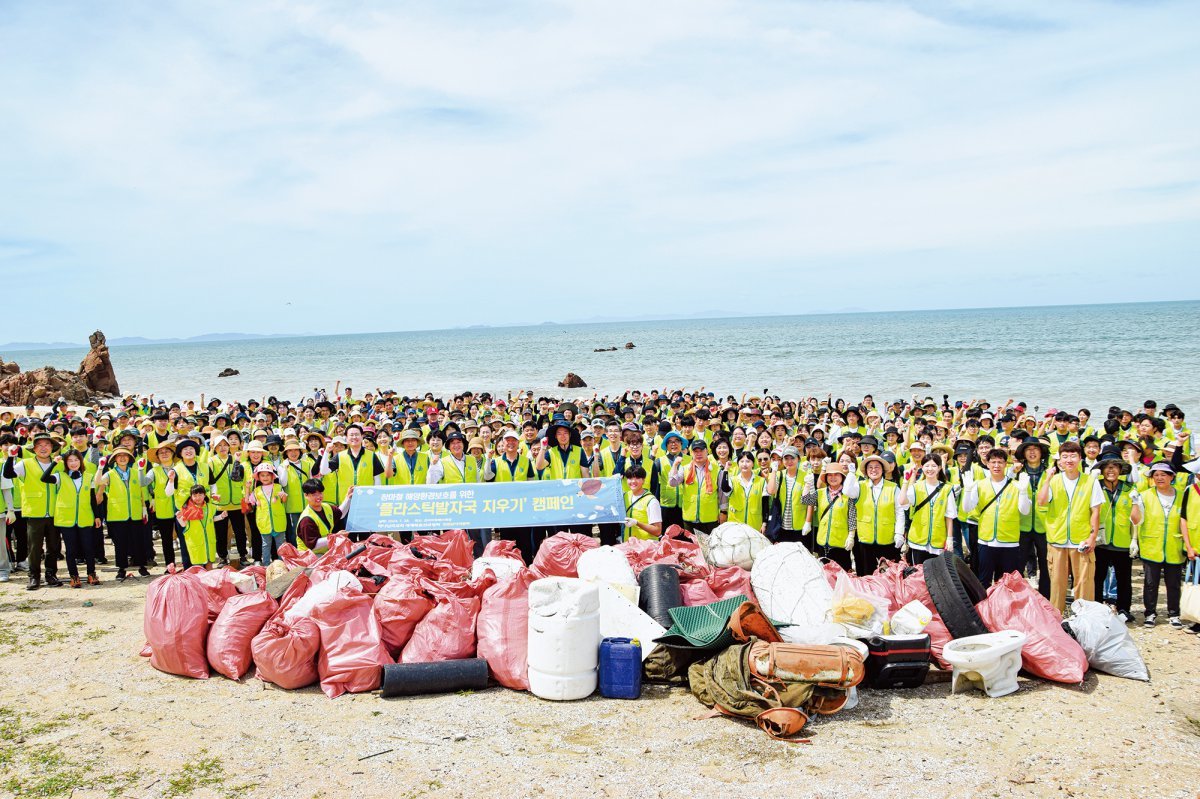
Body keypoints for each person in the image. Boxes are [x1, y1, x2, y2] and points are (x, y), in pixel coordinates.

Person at [1036, 441, 1103, 614]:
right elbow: (1041, 501)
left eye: (1073, 456)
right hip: (1057, 540)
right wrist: (1048, 478)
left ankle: (1085, 619)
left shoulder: (1090, 482)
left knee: (1084, 584)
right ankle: (1057, 620)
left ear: (1080, 458)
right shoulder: (1054, 480)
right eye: (1065, 457)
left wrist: (1092, 538)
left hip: (1081, 541)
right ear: (1059, 461)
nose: (1069, 460)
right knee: (1057, 585)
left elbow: (1095, 511)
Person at [964, 448, 1031, 587]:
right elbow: (967, 508)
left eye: (1000, 462)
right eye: (993, 462)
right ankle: (985, 609)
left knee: (1007, 584)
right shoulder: (980, 485)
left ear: (1006, 464)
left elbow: (1024, 511)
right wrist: (968, 490)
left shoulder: (1017, 485)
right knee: (984, 582)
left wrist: (1024, 491)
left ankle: (1003, 609)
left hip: (1009, 542)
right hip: (986, 541)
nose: (996, 465)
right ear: (987, 464)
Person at [4, 433, 63, 590]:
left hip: (55, 511)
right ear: (34, 448)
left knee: (54, 547)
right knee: (34, 547)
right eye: (40, 445)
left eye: (47, 445)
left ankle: (51, 574)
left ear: (52, 448)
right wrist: (10, 457)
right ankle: (34, 577)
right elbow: (8, 474)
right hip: (34, 512)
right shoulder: (26, 463)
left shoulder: (59, 463)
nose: (43, 448)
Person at [1136, 461, 1191, 628]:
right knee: (1151, 583)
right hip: (1151, 544)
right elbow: (1136, 520)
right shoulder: (1144, 495)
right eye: (1156, 475)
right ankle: (1150, 613)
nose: (1160, 478)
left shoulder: (1182, 495)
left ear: (1172, 477)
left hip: (1174, 545)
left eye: (1164, 474)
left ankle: (1174, 614)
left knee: (1173, 583)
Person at [1092, 446, 1141, 622]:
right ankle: (1096, 608)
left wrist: (1135, 539)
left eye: (1115, 466)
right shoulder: (1095, 487)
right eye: (1107, 466)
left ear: (1120, 470)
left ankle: (1124, 609)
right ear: (1102, 470)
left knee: (1124, 578)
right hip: (1100, 541)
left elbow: (1136, 519)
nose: (1111, 470)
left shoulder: (1129, 489)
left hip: (1122, 540)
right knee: (1097, 577)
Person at [43, 450, 101, 587]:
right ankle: (74, 576)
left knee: (88, 547)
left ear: (80, 461)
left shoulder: (88, 476)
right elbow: (44, 478)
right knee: (71, 550)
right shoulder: (60, 476)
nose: (73, 463)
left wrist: (97, 515)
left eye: (76, 460)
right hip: (66, 518)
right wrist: (54, 463)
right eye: (70, 460)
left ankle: (91, 574)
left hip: (85, 517)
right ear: (66, 463)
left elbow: (92, 498)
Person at [93, 447, 151, 581]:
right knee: (120, 543)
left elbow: (142, 489)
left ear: (130, 458)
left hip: (135, 513)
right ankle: (121, 568)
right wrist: (100, 468)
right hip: (117, 514)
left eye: (126, 455)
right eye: (119, 456)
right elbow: (98, 482)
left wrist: (144, 508)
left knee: (138, 541)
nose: (123, 458)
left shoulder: (136, 472)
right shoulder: (111, 473)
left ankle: (142, 566)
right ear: (114, 459)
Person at [801, 461, 859, 571]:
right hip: (822, 541)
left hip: (841, 543)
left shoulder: (848, 495)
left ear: (842, 477)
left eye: (836, 474)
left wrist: (851, 536)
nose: (833, 478)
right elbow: (805, 500)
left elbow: (852, 516)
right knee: (825, 575)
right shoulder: (820, 493)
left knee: (841, 574)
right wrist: (807, 485)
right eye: (830, 475)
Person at [855, 453, 905, 575]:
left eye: (877, 467)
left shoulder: (893, 487)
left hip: (887, 539)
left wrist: (899, 533)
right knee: (867, 574)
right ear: (866, 471)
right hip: (865, 538)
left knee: (889, 574)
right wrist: (851, 474)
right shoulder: (860, 486)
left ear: (882, 469)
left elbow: (899, 512)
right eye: (870, 467)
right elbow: (847, 491)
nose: (873, 470)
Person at [1015, 435, 1052, 599]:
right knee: (1018, 564)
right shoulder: (1017, 473)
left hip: (1045, 526)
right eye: (1028, 449)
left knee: (1046, 564)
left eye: (1035, 449)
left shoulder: (1051, 473)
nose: (1032, 452)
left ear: (1041, 452)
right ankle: (1018, 597)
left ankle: (1045, 597)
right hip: (1021, 525)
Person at [904, 454, 956, 565]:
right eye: (927, 466)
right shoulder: (916, 487)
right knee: (918, 574)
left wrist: (950, 538)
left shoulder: (947, 489)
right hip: (918, 539)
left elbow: (949, 516)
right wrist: (907, 481)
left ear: (940, 468)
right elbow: (903, 502)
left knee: (936, 575)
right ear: (922, 467)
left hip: (938, 540)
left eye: (933, 466)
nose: (930, 469)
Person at [669, 439, 722, 534]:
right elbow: (672, 482)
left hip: (709, 518)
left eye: (701, 450)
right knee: (691, 547)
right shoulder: (685, 468)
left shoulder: (716, 469)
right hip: (690, 518)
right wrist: (675, 465)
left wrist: (723, 512)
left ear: (707, 451)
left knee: (709, 547)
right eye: (695, 451)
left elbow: (722, 494)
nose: (698, 454)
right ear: (691, 453)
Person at [295, 480, 354, 552]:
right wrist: (335, 537)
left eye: (320, 493)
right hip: (310, 556)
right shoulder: (307, 519)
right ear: (306, 495)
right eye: (314, 494)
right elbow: (313, 545)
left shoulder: (326, 507)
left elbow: (340, 514)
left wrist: (348, 498)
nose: (318, 497)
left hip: (324, 551)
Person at [174, 485, 224, 569]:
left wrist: (221, 516)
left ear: (205, 495)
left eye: (200, 495)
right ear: (191, 496)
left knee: (209, 564)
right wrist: (179, 517)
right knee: (198, 567)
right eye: (195, 495)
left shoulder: (210, 507)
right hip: (196, 543)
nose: (198, 498)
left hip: (208, 542)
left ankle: (209, 581)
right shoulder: (187, 509)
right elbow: (183, 524)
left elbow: (211, 519)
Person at [248, 463, 289, 566]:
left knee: (280, 545)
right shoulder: (257, 491)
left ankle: (281, 564)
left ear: (272, 476)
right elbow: (249, 501)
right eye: (262, 475)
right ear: (259, 477)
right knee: (266, 545)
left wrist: (284, 496)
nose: (265, 477)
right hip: (264, 522)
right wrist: (247, 488)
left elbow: (284, 500)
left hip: (278, 521)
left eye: (268, 475)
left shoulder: (278, 487)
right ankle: (266, 564)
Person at [724, 451, 768, 535]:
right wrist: (726, 470)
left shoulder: (761, 481)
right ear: (738, 464)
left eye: (748, 461)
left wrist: (764, 523)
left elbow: (765, 503)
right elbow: (725, 489)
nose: (744, 464)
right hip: (735, 526)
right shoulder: (733, 480)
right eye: (742, 461)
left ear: (753, 464)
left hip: (754, 525)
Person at [623, 466, 662, 540]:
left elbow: (657, 531)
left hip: (646, 547)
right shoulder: (625, 496)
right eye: (630, 478)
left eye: (637, 478)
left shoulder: (652, 501)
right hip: (629, 545)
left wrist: (637, 523)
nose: (633, 481)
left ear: (643, 480)